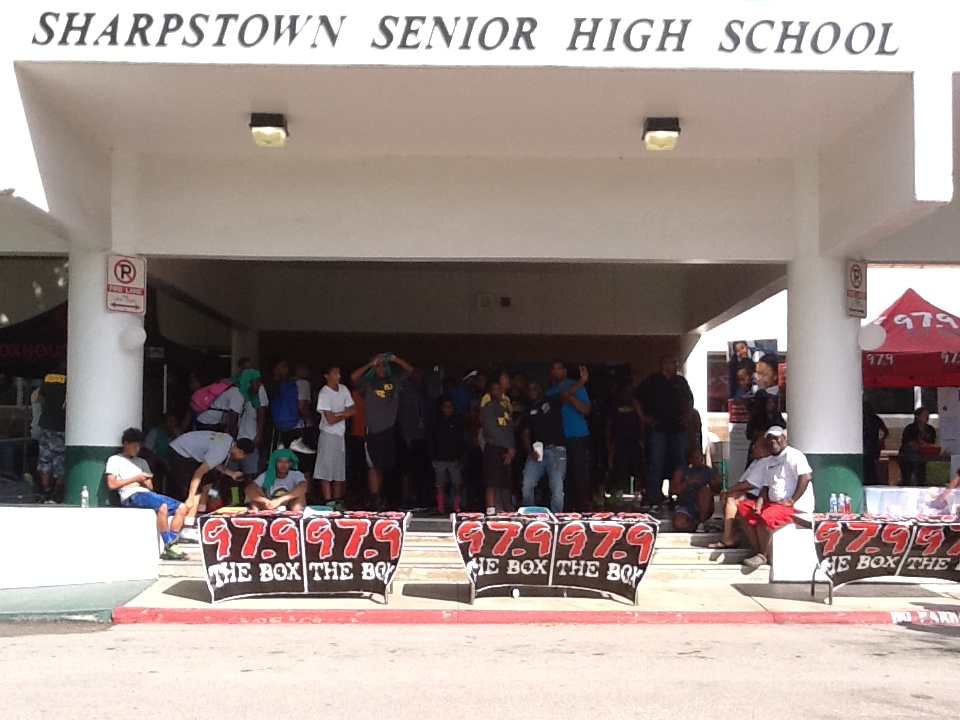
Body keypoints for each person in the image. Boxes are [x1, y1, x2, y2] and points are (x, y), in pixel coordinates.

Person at [105, 428, 189, 560]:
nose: (137, 449)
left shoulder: (142, 462)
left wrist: (141, 481)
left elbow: (150, 486)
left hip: (146, 493)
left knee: (182, 507)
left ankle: (171, 543)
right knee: (162, 507)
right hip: (131, 495)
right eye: (134, 445)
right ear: (126, 443)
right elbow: (112, 484)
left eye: (139, 446)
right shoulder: (115, 460)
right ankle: (169, 545)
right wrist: (136, 479)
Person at [737, 426, 813, 568]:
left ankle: (762, 555)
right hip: (774, 504)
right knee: (743, 509)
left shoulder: (793, 455)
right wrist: (759, 503)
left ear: (784, 438)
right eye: (770, 438)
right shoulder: (770, 461)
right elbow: (766, 487)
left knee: (766, 517)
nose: (773, 441)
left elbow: (805, 477)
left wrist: (792, 500)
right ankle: (759, 551)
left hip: (793, 507)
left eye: (776, 437)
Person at [351, 353, 414, 509]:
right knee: (373, 466)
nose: (381, 369)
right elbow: (353, 377)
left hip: (389, 430)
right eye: (378, 367)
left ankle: (382, 498)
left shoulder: (394, 381)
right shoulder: (368, 383)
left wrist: (396, 359)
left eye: (383, 367)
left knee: (384, 466)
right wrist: (370, 363)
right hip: (373, 430)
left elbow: (410, 370)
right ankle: (375, 498)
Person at [167, 430, 253, 541]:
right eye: (243, 456)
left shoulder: (228, 440)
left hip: (186, 449)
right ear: (241, 452)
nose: (241, 459)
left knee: (207, 484)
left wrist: (231, 474)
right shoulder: (221, 451)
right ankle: (187, 528)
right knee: (196, 492)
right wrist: (190, 497)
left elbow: (212, 461)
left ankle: (198, 518)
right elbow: (198, 473)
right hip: (180, 453)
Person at [634, 354, 693, 512]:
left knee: (681, 464)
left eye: (674, 362)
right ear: (662, 364)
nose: (672, 365)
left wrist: (688, 415)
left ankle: (680, 498)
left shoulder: (680, 381)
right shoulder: (652, 380)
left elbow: (690, 399)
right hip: (658, 429)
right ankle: (655, 500)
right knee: (656, 464)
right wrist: (643, 416)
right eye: (669, 362)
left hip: (678, 429)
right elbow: (635, 397)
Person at [709, 439, 772, 549]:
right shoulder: (756, 462)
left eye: (756, 446)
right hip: (747, 493)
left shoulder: (765, 462)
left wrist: (728, 490)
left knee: (731, 499)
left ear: (764, 450)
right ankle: (731, 533)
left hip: (756, 496)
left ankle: (728, 538)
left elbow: (749, 484)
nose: (753, 449)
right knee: (726, 496)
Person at [546, 360, 591, 511]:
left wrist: (572, 396)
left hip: (577, 435)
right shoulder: (549, 392)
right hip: (558, 439)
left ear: (565, 371)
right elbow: (562, 396)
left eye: (559, 368)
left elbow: (586, 410)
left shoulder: (577, 386)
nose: (556, 371)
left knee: (579, 474)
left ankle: (582, 510)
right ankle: (566, 510)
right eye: (553, 369)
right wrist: (581, 381)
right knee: (560, 477)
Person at [520, 381, 566, 513]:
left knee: (557, 488)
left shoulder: (551, 401)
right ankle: (530, 515)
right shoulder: (527, 410)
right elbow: (525, 434)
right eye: (529, 389)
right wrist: (530, 452)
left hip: (556, 450)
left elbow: (567, 393)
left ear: (541, 389)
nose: (532, 391)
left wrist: (582, 381)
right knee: (527, 486)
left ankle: (557, 516)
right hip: (536, 452)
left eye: (535, 387)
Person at [315, 366, 356, 508]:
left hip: (340, 435)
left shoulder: (343, 389)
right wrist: (344, 414)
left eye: (339, 373)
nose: (338, 376)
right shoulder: (324, 393)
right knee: (325, 469)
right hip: (328, 434)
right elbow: (330, 420)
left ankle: (337, 500)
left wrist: (339, 414)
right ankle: (328, 500)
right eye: (334, 373)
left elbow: (353, 409)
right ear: (327, 376)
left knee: (338, 469)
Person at [482, 379, 515, 515]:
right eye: (494, 389)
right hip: (494, 447)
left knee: (504, 482)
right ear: (489, 392)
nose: (497, 391)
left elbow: (509, 430)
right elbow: (492, 429)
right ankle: (491, 510)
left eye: (499, 388)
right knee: (492, 481)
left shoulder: (505, 408)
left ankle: (505, 509)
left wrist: (511, 448)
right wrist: (509, 446)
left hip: (506, 449)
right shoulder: (488, 407)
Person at [398, 367, 430, 507]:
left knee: (421, 469)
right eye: (415, 374)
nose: (418, 376)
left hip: (423, 436)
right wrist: (407, 437)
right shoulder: (406, 391)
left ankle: (420, 497)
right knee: (407, 469)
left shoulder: (424, 390)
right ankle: (407, 498)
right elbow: (404, 415)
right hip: (409, 436)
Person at [36, 361, 67, 503]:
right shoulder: (71, 379)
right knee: (59, 459)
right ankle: (57, 491)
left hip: (45, 423)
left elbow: (39, 398)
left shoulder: (48, 377)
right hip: (61, 426)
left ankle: (45, 489)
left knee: (45, 458)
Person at [669, 447, 719, 532]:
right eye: (696, 458)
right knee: (678, 524)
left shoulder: (708, 471)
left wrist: (715, 483)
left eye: (701, 457)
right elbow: (673, 491)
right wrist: (687, 483)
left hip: (702, 506)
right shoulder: (680, 471)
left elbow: (716, 491)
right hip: (684, 504)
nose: (700, 460)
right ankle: (695, 526)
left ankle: (702, 522)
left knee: (704, 490)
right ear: (690, 460)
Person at [606, 380, 643, 494]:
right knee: (620, 466)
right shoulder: (614, 404)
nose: (628, 391)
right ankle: (619, 491)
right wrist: (608, 441)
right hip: (619, 440)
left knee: (637, 466)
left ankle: (637, 491)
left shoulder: (636, 404)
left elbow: (641, 421)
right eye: (626, 389)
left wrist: (642, 438)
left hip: (634, 440)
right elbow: (609, 424)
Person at [430, 396, 465, 514]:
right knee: (439, 484)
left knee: (457, 483)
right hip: (439, 458)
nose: (448, 409)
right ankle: (440, 507)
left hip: (453, 458)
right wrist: (433, 457)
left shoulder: (457, 422)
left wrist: (459, 457)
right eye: (445, 407)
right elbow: (432, 441)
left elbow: (461, 441)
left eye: (450, 407)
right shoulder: (436, 422)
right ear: (441, 408)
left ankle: (456, 506)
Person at [899, 407, 937, 486]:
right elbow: (905, 442)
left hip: (923, 457)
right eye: (924, 415)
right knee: (907, 477)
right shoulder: (910, 428)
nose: (927, 417)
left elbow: (931, 443)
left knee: (921, 476)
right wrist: (916, 443)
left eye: (928, 415)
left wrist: (925, 445)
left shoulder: (930, 429)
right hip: (908, 457)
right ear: (918, 416)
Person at [862, 399, 889, 486]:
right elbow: (885, 431)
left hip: (868, 444)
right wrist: (882, 439)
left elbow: (885, 431)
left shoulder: (862, 419)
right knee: (872, 464)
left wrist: (881, 439)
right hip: (873, 445)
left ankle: (869, 480)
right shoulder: (875, 418)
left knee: (869, 463)